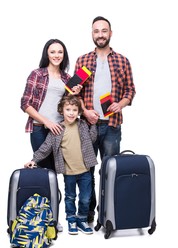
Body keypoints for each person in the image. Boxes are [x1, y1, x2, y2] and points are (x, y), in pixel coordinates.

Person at [74, 16, 136, 223]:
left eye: (104, 30)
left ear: (110, 33)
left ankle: (108, 211)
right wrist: (85, 111)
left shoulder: (122, 60)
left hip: (112, 125)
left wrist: (122, 103)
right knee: (87, 172)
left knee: (110, 169)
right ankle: (89, 211)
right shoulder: (82, 61)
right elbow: (74, 94)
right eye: (96, 31)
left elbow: (130, 90)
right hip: (87, 125)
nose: (100, 34)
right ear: (92, 34)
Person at [24, 95, 98, 235]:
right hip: (69, 172)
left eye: (75, 110)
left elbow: (92, 138)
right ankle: (71, 219)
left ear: (79, 112)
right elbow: (46, 147)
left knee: (85, 197)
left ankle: (82, 219)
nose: (71, 112)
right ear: (61, 111)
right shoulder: (57, 129)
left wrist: (93, 124)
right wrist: (34, 160)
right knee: (70, 197)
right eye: (68, 109)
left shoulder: (82, 125)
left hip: (85, 171)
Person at [21, 39, 82, 171]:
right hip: (39, 128)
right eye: (52, 52)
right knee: (43, 168)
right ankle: (45, 192)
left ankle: (58, 192)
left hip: (59, 129)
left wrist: (74, 94)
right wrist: (47, 122)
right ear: (47, 54)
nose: (56, 55)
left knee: (60, 167)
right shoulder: (37, 74)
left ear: (64, 55)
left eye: (60, 52)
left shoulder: (67, 78)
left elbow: (68, 105)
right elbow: (25, 104)